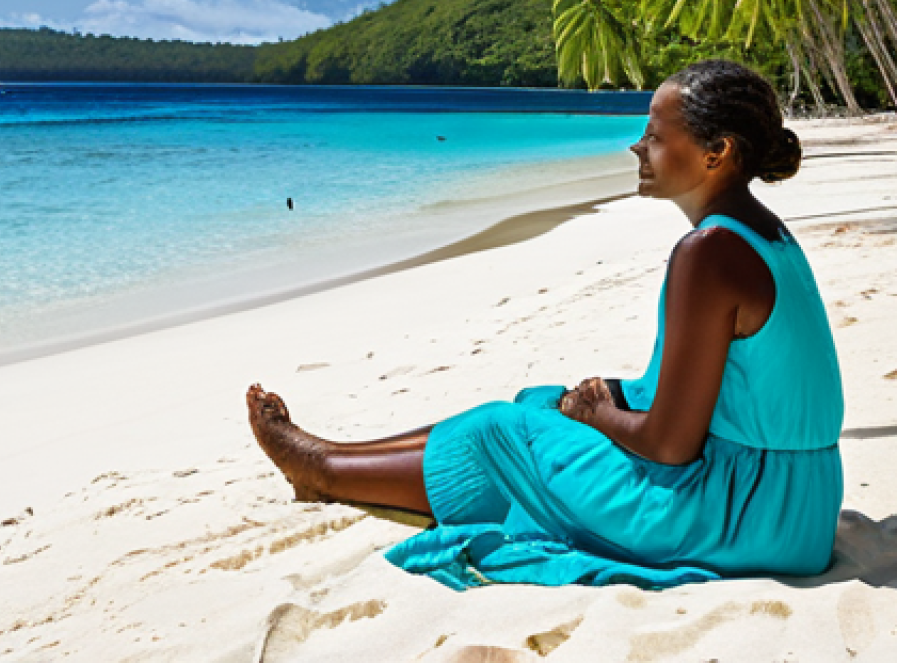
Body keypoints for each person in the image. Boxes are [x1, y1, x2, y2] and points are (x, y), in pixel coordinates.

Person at [247, 60, 844, 589]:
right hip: (799, 507)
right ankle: (330, 452)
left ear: (717, 153)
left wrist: (600, 415)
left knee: (500, 432)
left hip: (737, 517)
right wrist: (615, 400)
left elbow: (670, 446)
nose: (637, 148)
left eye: (655, 136)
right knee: (539, 405)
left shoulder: (709, 251)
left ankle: (322, 471)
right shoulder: (766, 235)